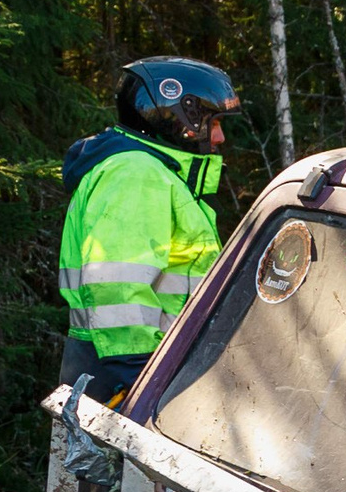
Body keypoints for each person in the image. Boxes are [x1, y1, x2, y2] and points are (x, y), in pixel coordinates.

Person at [56, 56, 240, 402]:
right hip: (126, 372)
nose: (220, 136)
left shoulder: (156, 173)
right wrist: (140, 379)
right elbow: (117, 285)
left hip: (133, 362)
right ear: (180, 116)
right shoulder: (136, 174)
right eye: (213, 122)